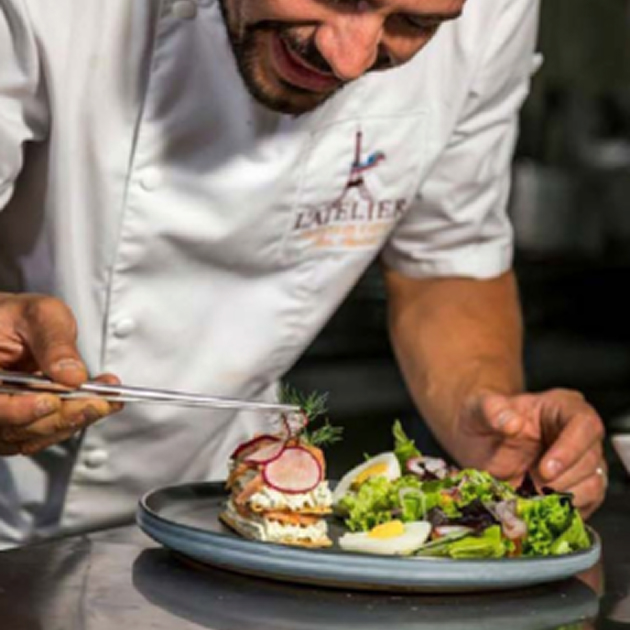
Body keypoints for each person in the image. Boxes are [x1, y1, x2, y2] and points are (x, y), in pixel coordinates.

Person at [0, 0, 606, 547]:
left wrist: (486, 410)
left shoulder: (494, 11)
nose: (350, 60)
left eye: (415, 23)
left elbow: (447, 258)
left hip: (224, 516)